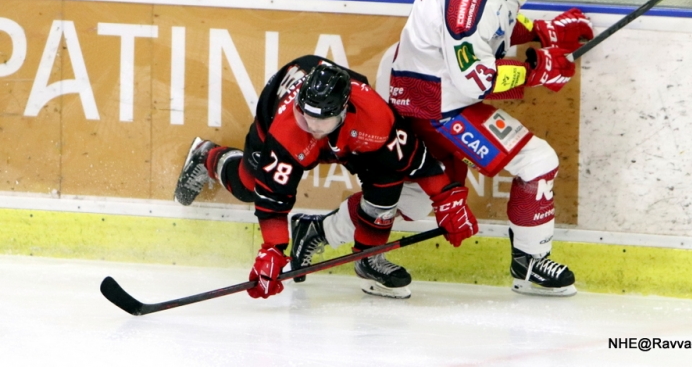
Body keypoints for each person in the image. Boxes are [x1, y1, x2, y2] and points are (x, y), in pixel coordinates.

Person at [388, 0, 595, 296]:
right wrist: (537, 70)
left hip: (429, 88)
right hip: (434, 102)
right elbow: (475, 79)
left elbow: (498, 24)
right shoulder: (464, 9)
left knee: (410, 199)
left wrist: (543, 32)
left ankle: (323, 229)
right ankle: (530, 265)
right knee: (538, 161)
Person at [174, 55, 477, 300]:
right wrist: (272, 249)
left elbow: (415, 160)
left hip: (349, 134)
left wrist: (447, 198)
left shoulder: (374, 117)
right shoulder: (288, 130)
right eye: (306, 116)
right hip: (277, 102)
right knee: (249, 186)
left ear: (343, 110)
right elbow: (273, 198)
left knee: (387, 175)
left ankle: (369, 256)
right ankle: (208, 156)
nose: (313, 127)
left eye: (323, 120)